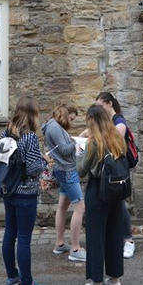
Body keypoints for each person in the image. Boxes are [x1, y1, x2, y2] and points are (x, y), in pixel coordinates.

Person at [76, 104, 127, 285]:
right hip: (117, 191)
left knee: (95, 236)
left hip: (98, 190)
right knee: (115, 234)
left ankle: (96, 280)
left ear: (92, 121)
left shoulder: (93, 143)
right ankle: (115, 278)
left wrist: (78, 149)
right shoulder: (118, 139)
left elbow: (81, 170)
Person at [1, 95, 48, 285]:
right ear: (32, 114)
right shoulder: (29, 137)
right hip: (26, 193)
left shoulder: (5, 134)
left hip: (8, 190)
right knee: (24, 238)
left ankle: (12, 277)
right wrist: (43, 161)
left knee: (9, 233)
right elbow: (33, 169)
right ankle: (27, 282)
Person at [42, 105, 86, 262]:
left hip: (62, 169)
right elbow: (65, 150)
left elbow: (62, 147)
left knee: (62, 207)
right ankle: (75, 248)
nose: (71, 122)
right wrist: (80, 143)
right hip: (67, 171)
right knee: (80, 207)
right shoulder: (54, 127)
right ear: (65, 114)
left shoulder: (53, 126)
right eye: (71, 118)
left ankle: (59, 244)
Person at [95, 92, 136, 259]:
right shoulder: (107, 122)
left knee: (119, 203)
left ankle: (129, 241)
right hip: (111, 169)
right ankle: (116, 237)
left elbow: (116, 138)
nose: (99, 109)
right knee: (114, 203)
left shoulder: (119, 121)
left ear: (109, 104)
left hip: (120, 169)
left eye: (100, 106)